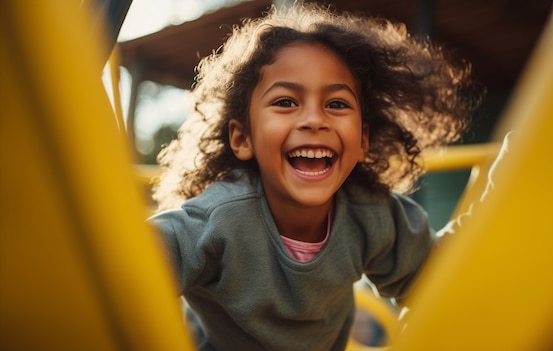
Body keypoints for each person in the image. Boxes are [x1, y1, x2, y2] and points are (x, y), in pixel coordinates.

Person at [149, 3, 482, 350]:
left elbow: (437, 277)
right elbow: (135, 262)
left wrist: (503, 190)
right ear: (242, 138)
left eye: (337, 104)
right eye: (285, 102)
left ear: (363, 141)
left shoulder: (372, 214)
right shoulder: (216, 221)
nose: (314, 120)